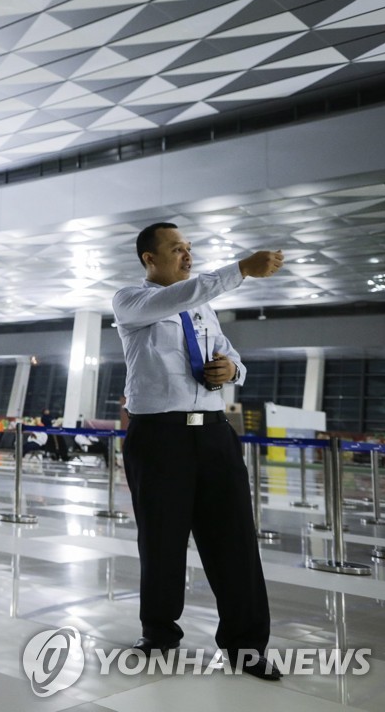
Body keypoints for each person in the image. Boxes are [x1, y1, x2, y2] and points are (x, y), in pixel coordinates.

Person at [113, 221, 284, 680]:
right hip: (160, 437)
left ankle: (247, 644)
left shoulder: (204, 307)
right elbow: (176, 297)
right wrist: (241, 270)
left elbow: (233, 357)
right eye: (175, 249)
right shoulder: (132, 301)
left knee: (235, 540)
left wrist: (231, 369)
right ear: (150, 259)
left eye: (189, 248)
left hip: (212, 433)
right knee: (162, 539)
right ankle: (160, 632)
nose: (187, 255)